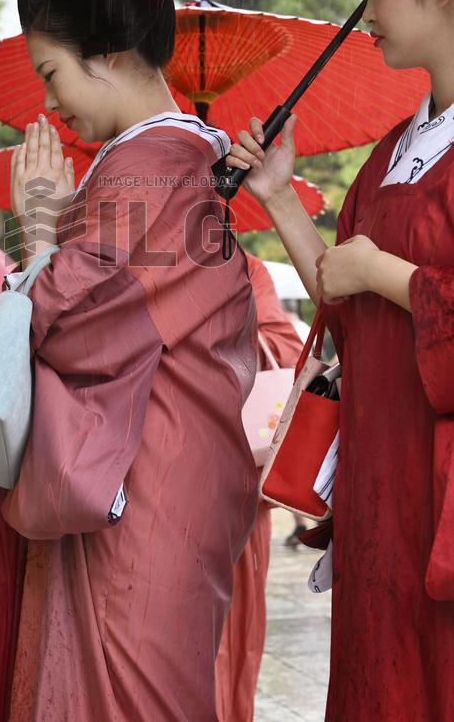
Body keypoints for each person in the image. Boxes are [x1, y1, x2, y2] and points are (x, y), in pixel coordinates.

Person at [0, 0, 258, 721]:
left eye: (51, 74)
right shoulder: (171, 161)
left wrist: (39, 232)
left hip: (144, 477)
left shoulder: (151, 168)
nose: (48, 102)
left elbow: (79, 326)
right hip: (168, 463)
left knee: (132, 693)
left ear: (108, 57)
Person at [227, 0, 454, 720]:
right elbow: (338, 297)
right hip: (378, 480)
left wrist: (388, 275)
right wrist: (280, 194)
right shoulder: (397, 147)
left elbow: (369, 278)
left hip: (439, 489)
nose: (368, 11)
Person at [215, 254, 304, 722]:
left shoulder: (244, 269)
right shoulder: (116, 261)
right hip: (148, 484)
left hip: (234, 482)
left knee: (231, 637)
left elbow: (286, 350)